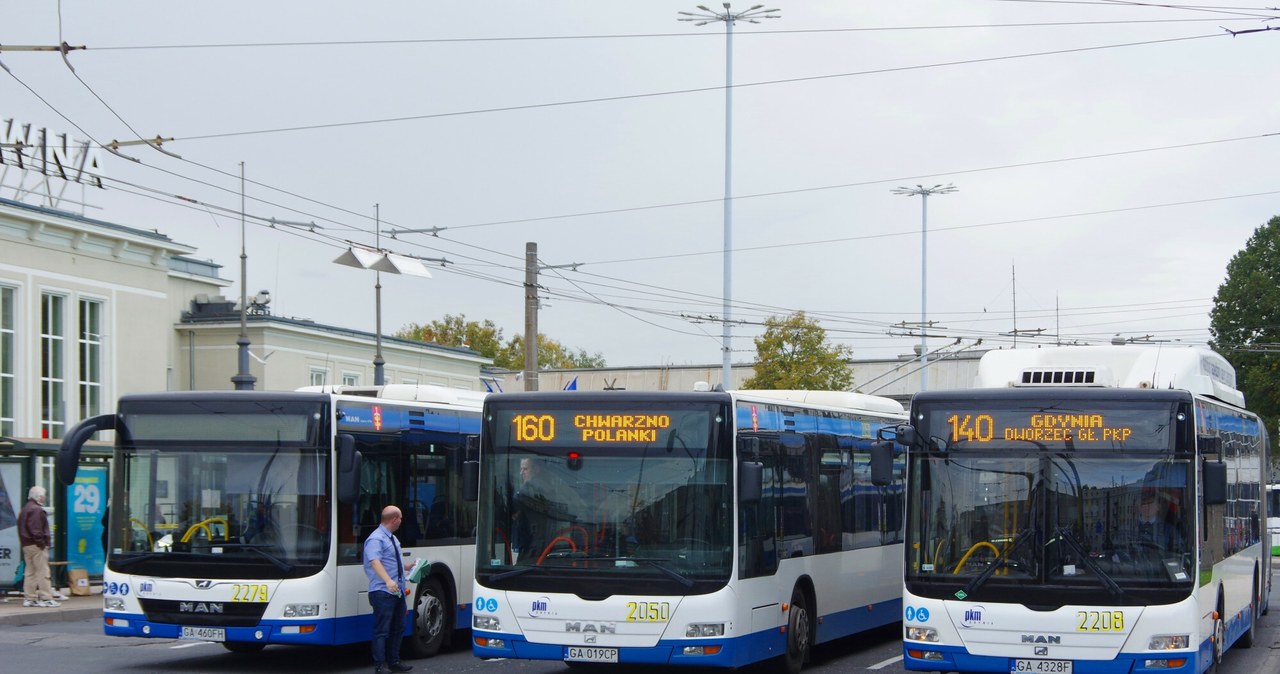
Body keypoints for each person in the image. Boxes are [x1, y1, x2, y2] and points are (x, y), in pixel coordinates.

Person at [363, 505, 414, 674]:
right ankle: (379, 665)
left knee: (398, 627)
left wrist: (407, 567)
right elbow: (375, 562)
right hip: (383, 592)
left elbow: (391, 561)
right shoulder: (376, 539)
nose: (401, 522)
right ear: (394, 519)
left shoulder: (392, 538)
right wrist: (388, 581)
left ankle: (394, 661)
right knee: (382, 629)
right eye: (400, 519)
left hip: (397, 591)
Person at [17, 486, 60, 608]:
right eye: (43, 495)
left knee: (30, 572)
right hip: (37, 545)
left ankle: (30, 598)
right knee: (43, 572)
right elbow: (36, 530)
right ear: (39, 497)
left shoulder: (26, 509)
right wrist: (41, 543)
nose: (44, 498)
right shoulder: (36, 510)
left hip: (26, 545)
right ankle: (46, 597)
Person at [510, 458, 554, 563]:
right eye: (521, 469)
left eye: (525, 469)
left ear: (536, 470)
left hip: (532, 544)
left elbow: (514, 511)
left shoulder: (528, 490)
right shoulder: (548, 487)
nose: (521, 473)